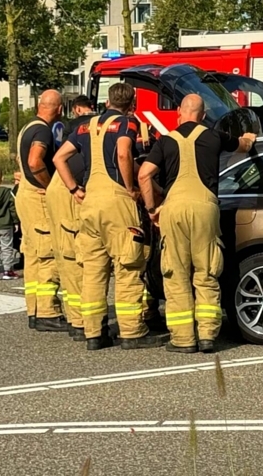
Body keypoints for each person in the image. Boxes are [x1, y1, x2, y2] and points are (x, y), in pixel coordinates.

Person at [138, 94, 256, 354]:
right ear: (203, 115)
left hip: (174, 209)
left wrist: (153, 209)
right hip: (205, 208)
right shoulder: (214, 136)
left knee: (176, 274)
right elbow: (243, 146)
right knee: (206, 272)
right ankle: (207, 336)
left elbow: (144, 174)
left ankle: (182, 339)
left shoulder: (166, 140)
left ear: (179, 112)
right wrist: (249, 137)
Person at [56, 83, 163, 351]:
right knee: (128, 265)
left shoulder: (84, 127)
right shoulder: (127, 124)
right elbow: (124, 153)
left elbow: (59, 158)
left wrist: (73, 189)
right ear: (132, 103)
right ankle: (131, 331)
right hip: (116, 202)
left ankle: (94, 333)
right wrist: (130, 187)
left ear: (106, 101)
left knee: (93, 270)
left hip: (90, 201)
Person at [43, 95, 96, 342]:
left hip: (59, 187)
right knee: (79, 257)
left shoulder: (71, 127)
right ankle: (83, 321)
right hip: (69, 190)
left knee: (67, 258)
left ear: (76, 110)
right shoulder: (97, 127)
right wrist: (75, 189)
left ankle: (78, 319)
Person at [14, 90, 65, 332]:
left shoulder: (27, 127)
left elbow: (20, 160)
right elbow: (35, 161)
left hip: (25, 193)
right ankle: (48, 310)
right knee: (48, 255)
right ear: (60, 108)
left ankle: (33, 309)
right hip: (37, 197)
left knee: (33, 255)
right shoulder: (43, 130)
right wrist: (50, 185)